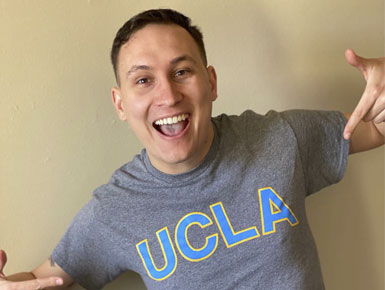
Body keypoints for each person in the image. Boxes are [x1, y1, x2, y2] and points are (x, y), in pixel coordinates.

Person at [1, 8, 384, 290]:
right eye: (143, 80)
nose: (167, 95)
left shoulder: (280, 137)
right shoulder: (115, 209)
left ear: (211, 82)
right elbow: (43, 278)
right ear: (120, 104)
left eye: (182, 71)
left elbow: (375, 128)